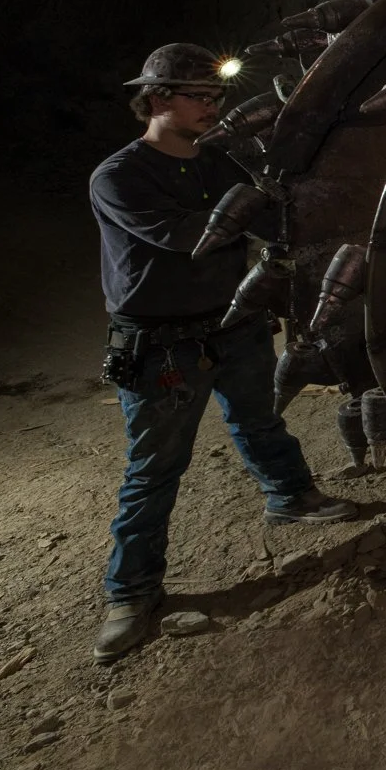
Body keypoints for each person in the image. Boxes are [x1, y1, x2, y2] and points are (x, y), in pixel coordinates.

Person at [90, 43, 355, 664]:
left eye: (217, 98)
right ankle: (130, 593)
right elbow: (190, 235)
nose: (213, 108)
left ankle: (290, 496)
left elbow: (273, 220)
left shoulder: (220, 163)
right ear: (157, 100)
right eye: (198, 97)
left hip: (234, 322)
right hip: (162, 343)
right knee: (154, 468)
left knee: (259, 418)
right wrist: (261, 203)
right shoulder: (118, 176)